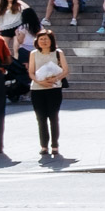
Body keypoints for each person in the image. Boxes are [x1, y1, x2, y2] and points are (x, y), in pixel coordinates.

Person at [26, 28, 68, 158]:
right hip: (37, 89)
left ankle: (55, 145)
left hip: (54, 89)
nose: (44, 41)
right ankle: (44, 146)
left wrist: (54, 79)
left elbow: (65, 70)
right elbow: (31, 72)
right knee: (41, 119)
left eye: (46, 39)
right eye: (41, 39)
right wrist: (40, 82)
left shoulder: (58, 53)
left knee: (53, 117)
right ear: (37, 41)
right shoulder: (33, 53)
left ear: (51, 40)